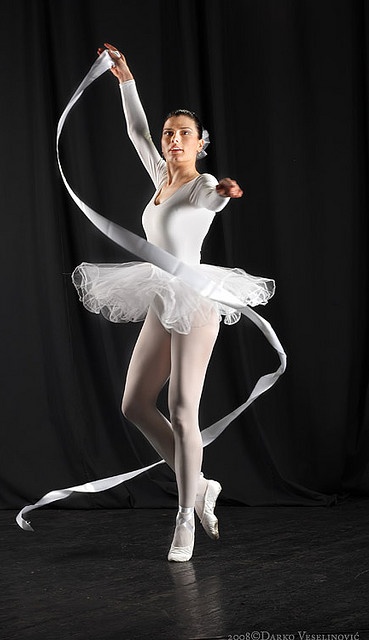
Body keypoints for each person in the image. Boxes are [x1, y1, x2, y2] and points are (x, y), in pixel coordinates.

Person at [72, 43, 274, 562]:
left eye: (185, 134)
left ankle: (185, 516)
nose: (174, 140)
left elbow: (215, 193)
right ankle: (201, 483)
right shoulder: (161, 178)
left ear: (201, 143)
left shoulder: (201, 184)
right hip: (163, 295)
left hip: (198, 299)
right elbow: (136, 132)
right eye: (170, 134)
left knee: (183, 410)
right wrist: (124, 80)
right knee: (134, 403)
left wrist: (225, 190)